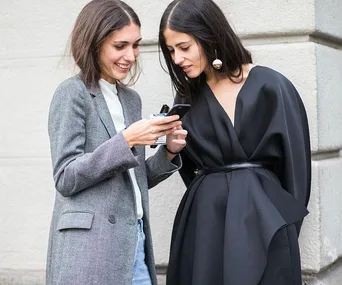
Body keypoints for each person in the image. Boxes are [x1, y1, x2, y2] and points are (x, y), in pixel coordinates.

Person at [158, 0, 311, 284]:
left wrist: (282, 225)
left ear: (208, 36)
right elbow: (189, 171)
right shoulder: (187, 99)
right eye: (170, 51)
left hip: (266, 223)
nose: (177, 58)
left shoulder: (271, 86)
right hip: (205, 224)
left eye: (184, 46)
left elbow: (296, 170)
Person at [46, 1, 187, 285]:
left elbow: (132, 180)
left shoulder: (130, 100)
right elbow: (66, 177)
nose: (131, 55)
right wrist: (127, 140)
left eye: (135, 45)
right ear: (94, 43)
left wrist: (169, 151)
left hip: (134, 242)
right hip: (88, 250)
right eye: (119, 46)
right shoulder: (72, 93)